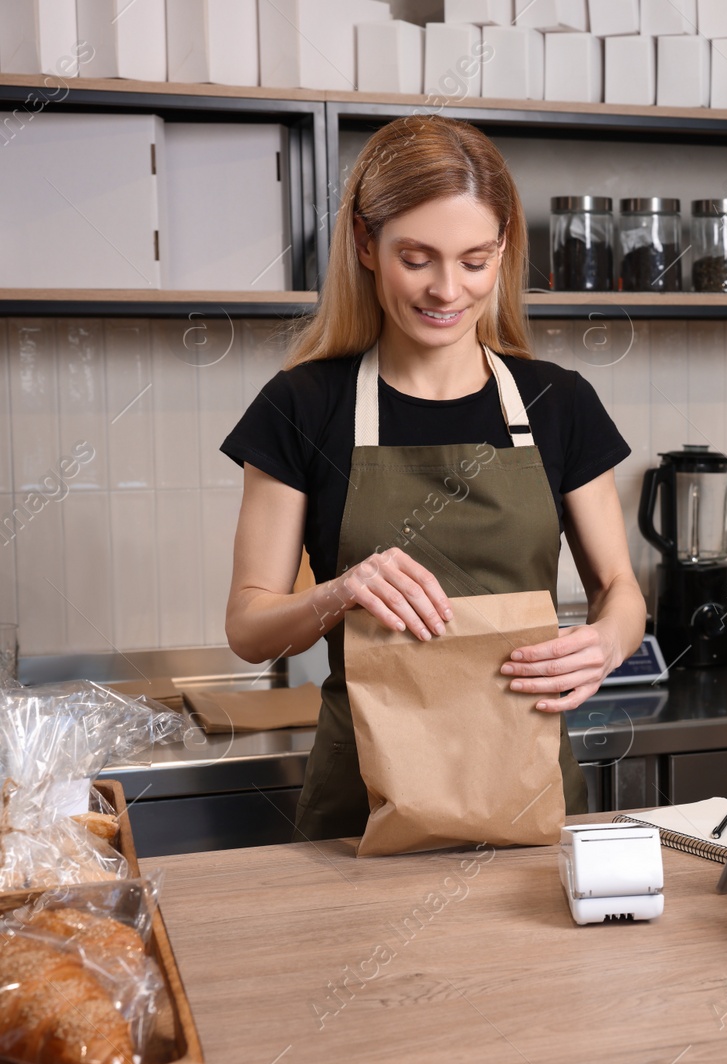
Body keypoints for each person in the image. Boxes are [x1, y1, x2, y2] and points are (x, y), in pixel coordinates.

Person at [221, 115, 645, 840]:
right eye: (416, 259)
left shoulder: (557, 402)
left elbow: (621, 593)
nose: (448, 289)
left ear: (504, 249)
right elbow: (250, 627)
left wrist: (607, 640)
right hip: (360, 806)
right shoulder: (303, 406)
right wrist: (339, 592)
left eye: (475, 260)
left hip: (527, 791)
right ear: (365, 243)